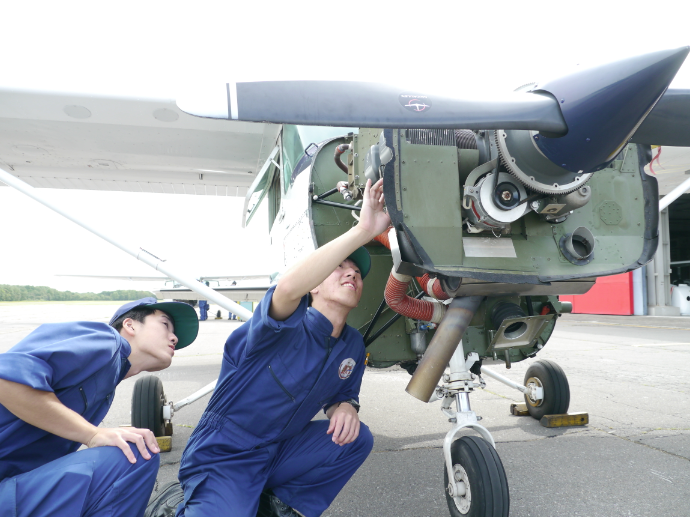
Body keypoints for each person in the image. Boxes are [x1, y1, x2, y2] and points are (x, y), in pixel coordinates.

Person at [147, 178, 391, 517]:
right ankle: (175, 505)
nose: (351, 274)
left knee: (357, 438)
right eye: (339, 268)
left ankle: (278, 507)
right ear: (314, 286)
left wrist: (346, 408)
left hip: (280, 451)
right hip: (226, 454)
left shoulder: (351, 344)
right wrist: (365, 229)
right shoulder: (280, 326)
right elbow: (289, 289)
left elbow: (342, 394)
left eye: (357, 273)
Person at [0, 297, 200, 517]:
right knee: (136, 452)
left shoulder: (108, 384)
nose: (174, 337)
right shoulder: (106, 341)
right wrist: (92, 434)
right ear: (130, 325)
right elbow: (6, 381)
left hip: (14, 486)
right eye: (165, 325)